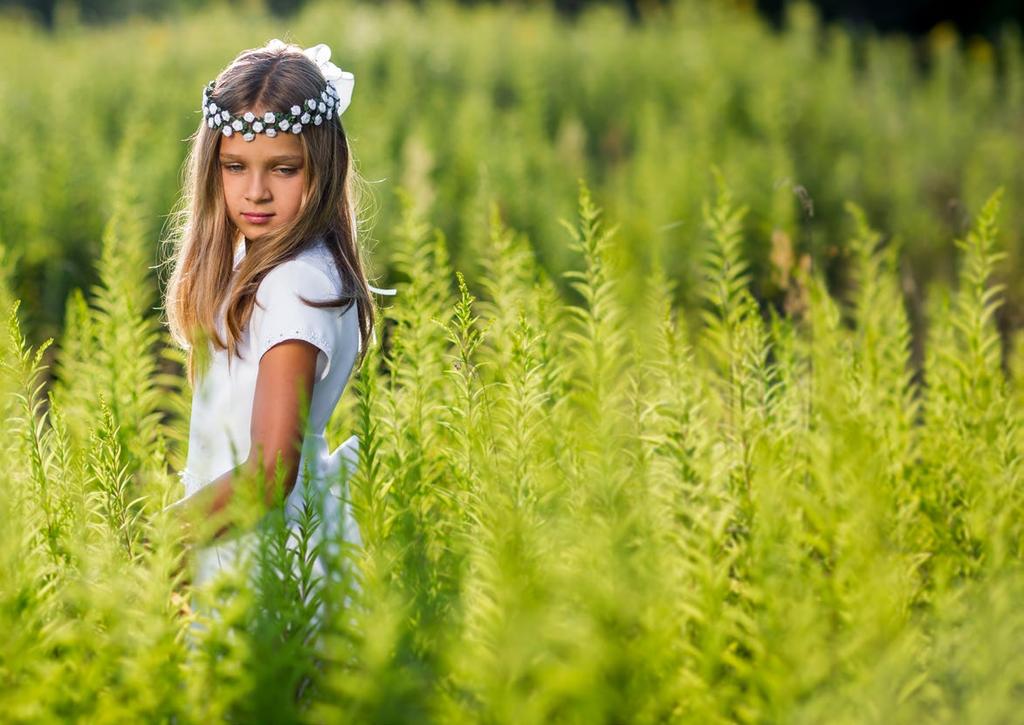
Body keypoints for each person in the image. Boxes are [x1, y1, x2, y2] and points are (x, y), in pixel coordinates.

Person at [158, 38, 394, 638]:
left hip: (266, 558)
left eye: (282, 169)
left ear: (322, 169)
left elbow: (268, 473)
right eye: (236, 166)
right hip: (238, 539)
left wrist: (161, 538)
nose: (255, 192)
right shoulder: (265, 263)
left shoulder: (293, 284)